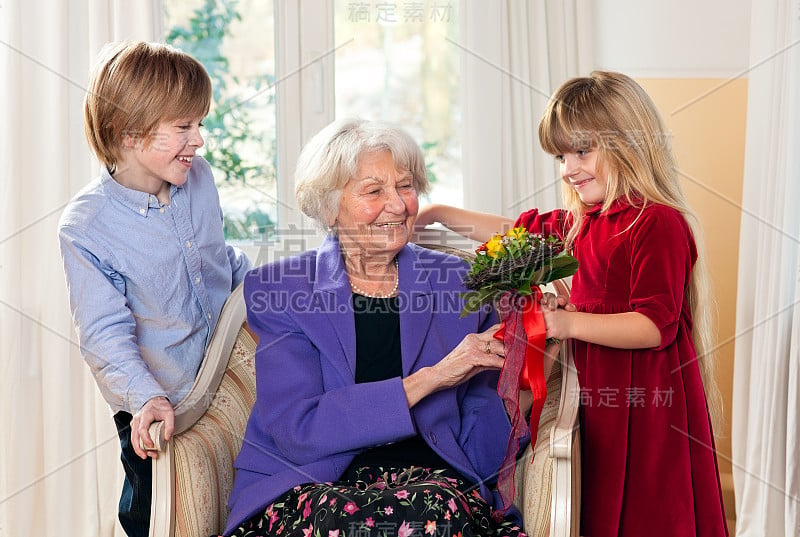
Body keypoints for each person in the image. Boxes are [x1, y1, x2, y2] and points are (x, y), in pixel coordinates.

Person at [414, 71, 729, 537]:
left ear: (628, 143)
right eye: (561, 155)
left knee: (650, 511)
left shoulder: (657, 224)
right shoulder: (580, 224)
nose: (568, 167)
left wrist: (564, 323)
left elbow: (652, 326)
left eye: (582, 151)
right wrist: (436, 213)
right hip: (599, 399)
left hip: (646, 407)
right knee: (600, 506)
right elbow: (511, 234)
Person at [224, 118, 528, 537]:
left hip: (432, 488)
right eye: (374, 191)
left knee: (435, 512)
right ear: (330, 207)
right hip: (312, 485)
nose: (399, 205)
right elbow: (300, 430)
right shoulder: (282, 289)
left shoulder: (461, 284)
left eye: (406, 186)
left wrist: (523, 379)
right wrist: (432, 379)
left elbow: (485, 447)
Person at [58, 41, 251, 537]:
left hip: (222, 382)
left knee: (233, 507)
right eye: (184, 127)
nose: (200, 141)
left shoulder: (199, 179)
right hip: (158, 405)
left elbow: (221, 262)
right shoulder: (87, 226)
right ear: (128, 130)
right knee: (151, 515)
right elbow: (104, 333)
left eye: (200, 124)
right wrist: (145, 398)